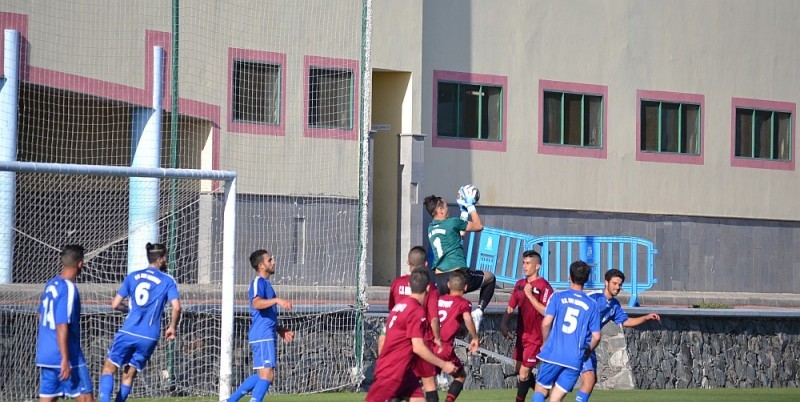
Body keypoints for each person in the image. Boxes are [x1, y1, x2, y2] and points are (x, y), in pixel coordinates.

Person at [98, 243, 181, 402]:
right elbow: (176, 307)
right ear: (160, 259)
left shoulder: (133, 276)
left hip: (129, 331)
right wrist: (172, 327)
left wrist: (129, 310)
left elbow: (115, 304)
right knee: (129, 375)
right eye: (165, 257)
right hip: (149, 336)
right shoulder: (168, 280)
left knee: (109, 368)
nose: (166, 260)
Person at [367, 268, 457, 402]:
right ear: (428, 288)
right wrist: (444, 365)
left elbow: (383, 337)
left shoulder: (399, 307)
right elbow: (418, 347)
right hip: (392, 371)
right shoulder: (416, 311)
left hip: (404, 372)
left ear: (410, 286)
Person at [575, 269, 661, 402]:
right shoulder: (593, 298)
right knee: (588, 379)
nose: (617, 287)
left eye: (620, 284)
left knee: (589, 380)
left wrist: (645, 317)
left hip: (589, 345)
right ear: (606, 282)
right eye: (614, 283)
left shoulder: (614, 305)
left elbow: (626, 321)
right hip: (578, 342)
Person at [227, 250, 294, 402]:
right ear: (261, 265)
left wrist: (280, 329)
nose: (274, 262)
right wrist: (277, 300)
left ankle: (230, 401)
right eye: (270, 260)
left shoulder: (266, 284)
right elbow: (256, 303)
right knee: (267, 375)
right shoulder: (258, 282)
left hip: (266, 332)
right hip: (262, 334)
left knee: (262, 375)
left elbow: (265, 314)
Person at [424, 189, 495, 331]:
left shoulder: (431, 228)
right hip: (458, 274)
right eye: (446, 206)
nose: (448, 209)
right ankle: (479, 312)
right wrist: (470, 206)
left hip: (440, 279)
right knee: (490, 277)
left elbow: (459, 234)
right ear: (440, 210)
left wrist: (463, 212)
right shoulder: (452, 222)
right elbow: (478, 226)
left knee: (454, 315)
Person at [532, 261, 600, 402]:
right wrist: (587, 351)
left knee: (541, 389)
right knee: (555, 399)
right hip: (575, 359)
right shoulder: (592, 305)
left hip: (554, 353)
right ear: (587, 279)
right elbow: (596, 336)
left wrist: (545, 343)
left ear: (569, 276)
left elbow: (546, 323)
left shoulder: (558, 296)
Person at [36, 245, 93, 402]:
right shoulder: (68, 288)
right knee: (86, 398)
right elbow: (62, 324)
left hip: (46, 355)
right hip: (66, 356)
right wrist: (65, 358)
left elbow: (40, 315)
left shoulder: (51, 284)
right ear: (80, 264)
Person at [385, 246, 442, 402]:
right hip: (421, 340)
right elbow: (434, 318)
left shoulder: (396, 283)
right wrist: (437, 339)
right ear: (426, 264)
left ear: (407, 262)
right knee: (429, 384)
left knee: (400, 384)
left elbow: (392, 312)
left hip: (400, 342)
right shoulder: (429, 287)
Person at [499, 250, 553, 402]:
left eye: (528, 263)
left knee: (523, 374)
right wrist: (504, 323)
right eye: (523, 263)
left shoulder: (544, 287)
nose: (524, 266)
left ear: (537, 266)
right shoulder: (519, 284)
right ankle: (542, 392)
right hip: (522, 335)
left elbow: (547, 311)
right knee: (519, 369)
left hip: (536, 337)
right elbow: (510, 307)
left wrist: (530, 295)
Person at [435, 270, 479, 402]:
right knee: (460, 376)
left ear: (448, 285)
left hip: (428, 345)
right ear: (465, 287)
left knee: (423, 381)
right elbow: (467, 318)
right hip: (444, 348)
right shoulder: (463, 303)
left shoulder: (438, 300)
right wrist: (475, 337)